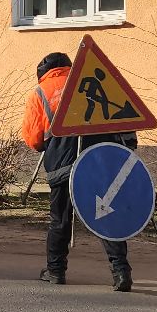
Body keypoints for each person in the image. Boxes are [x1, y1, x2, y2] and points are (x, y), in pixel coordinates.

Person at [22, 51, 136, 291]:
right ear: (70, 67)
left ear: (43, 74)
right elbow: (124, 119)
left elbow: (33, 140)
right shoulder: (94, 81)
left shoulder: (41, 92)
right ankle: (120, 271)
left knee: (60, 219)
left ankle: (55, 272)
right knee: (106, 214)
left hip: (62, 164)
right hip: (99, 162)